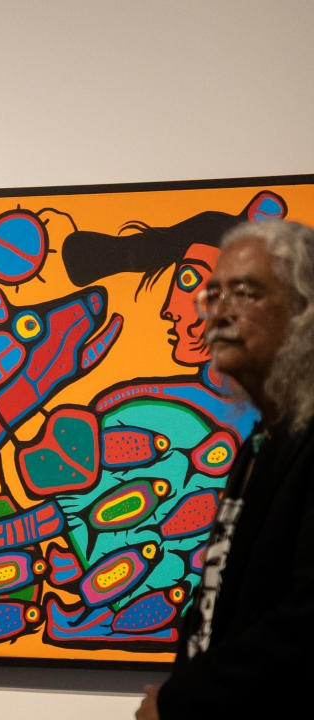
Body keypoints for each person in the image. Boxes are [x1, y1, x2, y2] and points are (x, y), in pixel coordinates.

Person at [141, 220, 314, 719]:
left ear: (303, 311)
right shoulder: (262, 440)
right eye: (212, 295)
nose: (219, 313)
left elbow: (305, 624)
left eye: (244, 293)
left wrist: (179, 702)